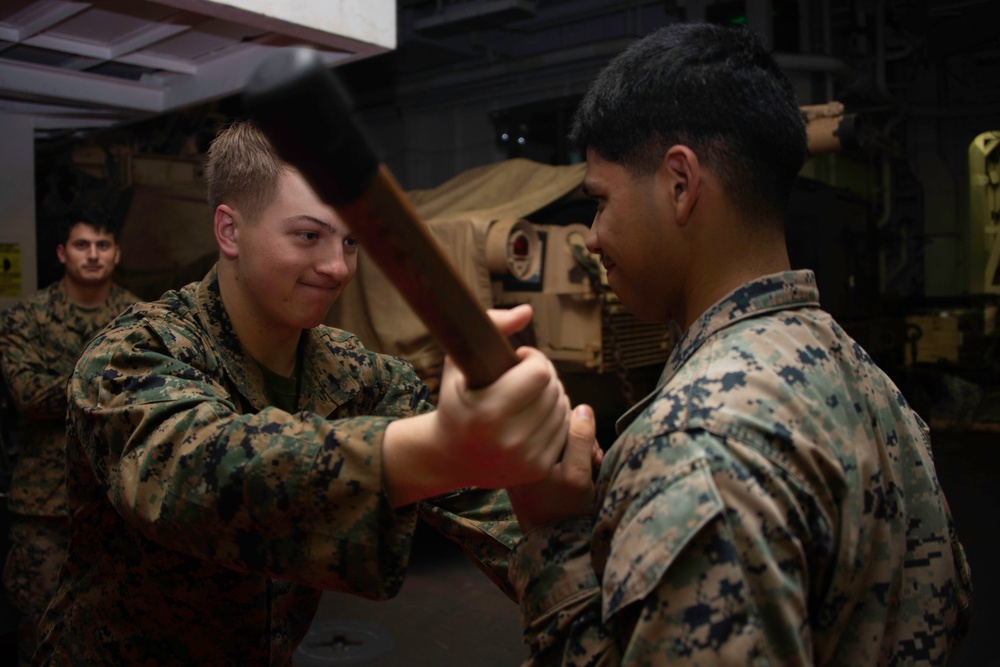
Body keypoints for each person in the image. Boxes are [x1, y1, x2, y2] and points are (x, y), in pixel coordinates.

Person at [504, 22, 973, 665]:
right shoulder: (866, 380)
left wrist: (554, 537)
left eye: (600, 201)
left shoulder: (695, 445)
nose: (592, 236)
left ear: (680, 183)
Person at [33, 119, 571, 665]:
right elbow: (191, 474)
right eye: (309, 236)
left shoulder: (358, 374)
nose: (337, 268)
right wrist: (429, 451)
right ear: (229, 231)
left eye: (351, 241)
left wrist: (586, 584)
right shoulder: (133, 354)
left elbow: (490, 504)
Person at [0, 207, 139, 665]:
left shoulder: (140, 319)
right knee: (38, 635)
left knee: (118, 634)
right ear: (62, 253)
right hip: (43, 508)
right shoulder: (27, 317)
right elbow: (28, 395)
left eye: (103, 245)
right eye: (83, 245)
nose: (93, 255)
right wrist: (109, 382)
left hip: (116, 504)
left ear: (117, 254)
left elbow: (154, 398)